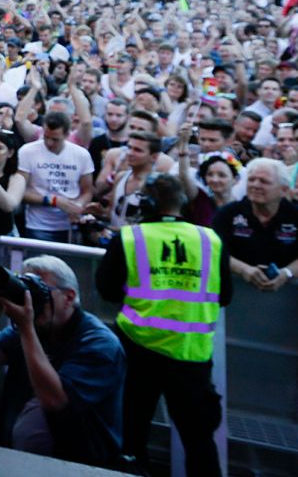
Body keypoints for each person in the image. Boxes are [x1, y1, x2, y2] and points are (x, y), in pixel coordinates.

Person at [95, 172, 230, 477]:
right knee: (199, 441)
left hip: (137, 348)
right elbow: (224, 296)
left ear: (148, 203)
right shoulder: (210, 239)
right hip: (191, 354)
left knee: (131, 436)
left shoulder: (130, 237)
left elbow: (106, 289)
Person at [0, 255, 126, 466]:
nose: (32, 299)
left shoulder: (99, 344)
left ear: (69, 297)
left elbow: (54, 400)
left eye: (40, 289)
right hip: (20, 459)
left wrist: (26, 328)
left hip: (77, 465)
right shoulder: (35, 328)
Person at [212, 158, 298, 291]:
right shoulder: (227, 213)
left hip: (287, 296)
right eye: (251, 180)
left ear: (283, 189)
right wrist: (244, 269)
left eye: (264, 181)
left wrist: (286, 274)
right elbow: (215, 251)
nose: (255, 185)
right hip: (236, 292)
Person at [20, 111, 96, 243]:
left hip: (70, 225)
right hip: (38, 225)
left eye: (55, 139)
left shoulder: (81, 154)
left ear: (67, 135)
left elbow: (87, 191)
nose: (49, 143)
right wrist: (53, 201)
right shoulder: (27, 151)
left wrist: (78, 205)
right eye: (46, 137)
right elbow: (20, 191)